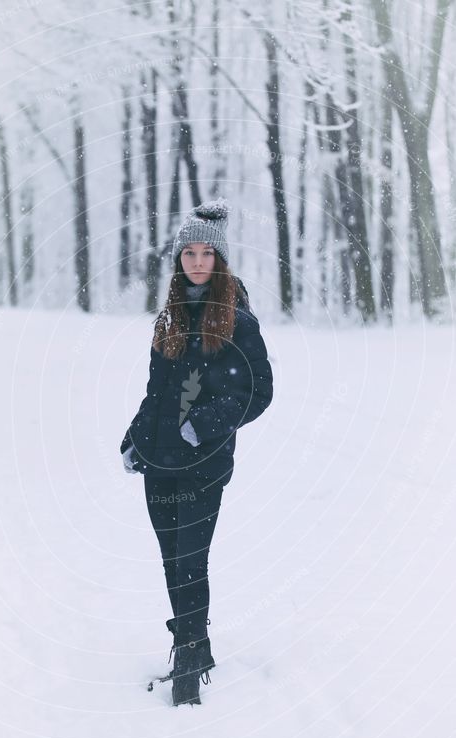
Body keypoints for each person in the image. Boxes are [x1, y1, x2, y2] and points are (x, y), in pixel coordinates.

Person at [120, 198, 273, 706]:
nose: (199, 261)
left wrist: (200, 428)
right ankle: (195, 646)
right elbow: (157, 390)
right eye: (190, 252)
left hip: (203, 460)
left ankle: (188, 663)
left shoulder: (237, 320)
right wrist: (136, 436)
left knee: (191, 560)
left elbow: (256, 391)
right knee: (171, 559)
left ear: (221, 259)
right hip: (158, 461)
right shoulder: (168, 318)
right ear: (179, 259)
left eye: (208, 252)